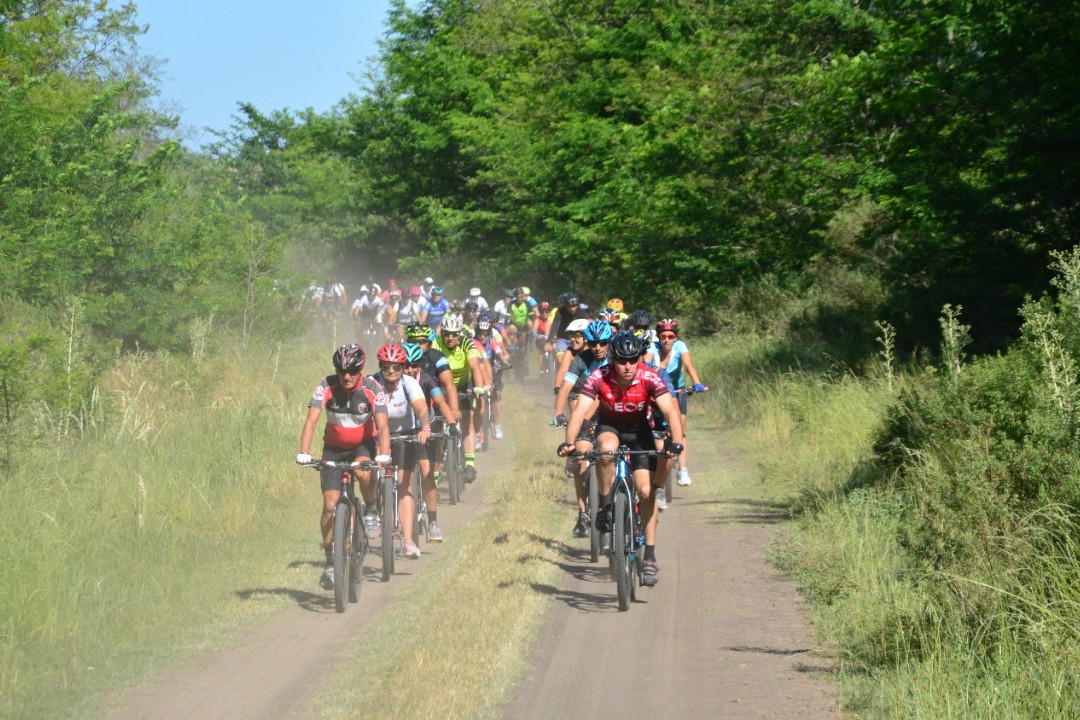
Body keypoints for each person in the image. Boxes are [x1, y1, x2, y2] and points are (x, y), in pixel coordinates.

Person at [557, 331, 684, 586]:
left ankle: (649, 556)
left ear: (639, 359)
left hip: (640, 433)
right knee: (605, 449)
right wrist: (570, 442)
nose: (628, 366)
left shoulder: (649, 376)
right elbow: (580, 412)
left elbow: (671, 411)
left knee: (646, 492)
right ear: (613, 360)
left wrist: (677, 442)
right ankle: (605, 505)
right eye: (622, 361)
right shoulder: (599, 376)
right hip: (610, 428)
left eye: (633, 360)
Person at [296, 344, 391, 590]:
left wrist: (384, 454)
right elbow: (312, 420)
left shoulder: (373, 388)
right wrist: (304, 452)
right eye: (341, 371)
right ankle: (330, 562)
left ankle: (371, 508)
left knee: (361, 469)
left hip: (363, 445)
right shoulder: (326, 386)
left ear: (361, 370)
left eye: (352, 371)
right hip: (334, 449)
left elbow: (382, 426)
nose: (346, 376)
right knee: (329, 506)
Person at [368, 344, 431, 559]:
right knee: (370, 475)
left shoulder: (409, 383)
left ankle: (408, 540)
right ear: (380, 367)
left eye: (396, 367)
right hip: (377, 435)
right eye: (386, 367)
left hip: (405, 435)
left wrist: (425, 427)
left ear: (403, 367)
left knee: (405, 485)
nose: (391, 371)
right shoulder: (371, 383)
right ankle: (373, 509)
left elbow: (421, 408)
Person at [553, 319, 612, 537]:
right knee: (579, 456)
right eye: (593, 343)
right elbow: (566, 386)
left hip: (610, 414)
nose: (597, 347)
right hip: (587, 414)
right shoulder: (581, 359)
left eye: (602, 343)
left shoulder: (617, 358)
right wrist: (558, 413)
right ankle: (583, 514)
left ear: (609, 342)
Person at [403, 342, 454, 542]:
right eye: (406, 365)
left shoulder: (426, 379)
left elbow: (440, 401)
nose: (410, 369)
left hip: (425, 428)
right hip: (403, 430)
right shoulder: (393, 381)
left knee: (427, 474)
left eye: (414, 365)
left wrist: (451, 423)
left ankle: (433, 523)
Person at [650, 319, 706, 486]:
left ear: (676, 337)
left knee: (680, 428)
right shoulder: (652, 348)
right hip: (657, 391)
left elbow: (688, 365)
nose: (666, 340)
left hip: (676, 389)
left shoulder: (680, 346)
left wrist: (696, 382)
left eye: (670, 336)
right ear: (658, 337)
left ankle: (682, 470)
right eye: (663, 336)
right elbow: (645, 364)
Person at [434, 314, 487, 482]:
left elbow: (475, 367)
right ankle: (437, 467)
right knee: (438, 426)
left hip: (463, 384)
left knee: (467, 419)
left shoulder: (467, 343)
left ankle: (469, 463)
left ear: (459, 334)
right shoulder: (436, 344)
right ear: (442, 333)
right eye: (447, 334)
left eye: (454, 334)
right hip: (442, 386)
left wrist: (478, 388)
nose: (450, 338)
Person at [474, 311, 511, 440]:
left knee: (495, 395)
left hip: (492, 368)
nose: (482, 336)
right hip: (478, 369)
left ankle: (497, 425)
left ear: (489, 333)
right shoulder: (473, 341)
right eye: (480, 334)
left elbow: (499, 352)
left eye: (485, 334)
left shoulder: (493, 341)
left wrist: (506, 363)